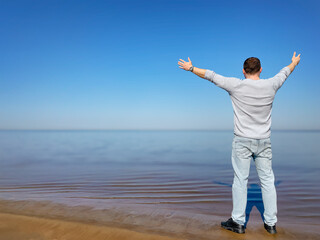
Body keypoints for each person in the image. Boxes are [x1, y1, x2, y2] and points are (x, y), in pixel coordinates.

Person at [177, 52, 301, 234]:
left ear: (243, 71)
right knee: (267, 181)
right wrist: (294, 62)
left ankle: (238, 222)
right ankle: (271, 224)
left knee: (240, 181)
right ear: (260, 70)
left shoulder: (236, 85)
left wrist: (191, 68)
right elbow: (285, 72)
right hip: (264, 141)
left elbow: (211, 75)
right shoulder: (271, 85)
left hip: (242, 141)